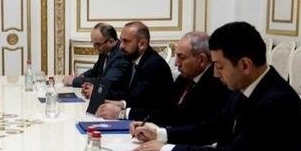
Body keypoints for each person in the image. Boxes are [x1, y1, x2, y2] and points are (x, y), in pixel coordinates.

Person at [132, 21, 301, 151]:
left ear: (245, 65)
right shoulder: (245, 87)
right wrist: (161, 134)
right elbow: (211, 128)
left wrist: (166, 150)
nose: (215, 74)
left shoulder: (277, 102)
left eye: (220, 66)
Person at [96, 31, 230, 125]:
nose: (176, 63)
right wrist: (123, 106)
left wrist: (123, 113)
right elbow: (163, 107)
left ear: (201, 60)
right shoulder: (185, 77)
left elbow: (180, 117)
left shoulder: (216, 83)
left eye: (181, 57)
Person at [92, 21, 173, 110]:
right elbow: (127, 93)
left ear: (142, 44)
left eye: (126, 41)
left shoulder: (154, 65)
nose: (121, 46)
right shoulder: (132, 59)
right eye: (121, 40)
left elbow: (139, 99)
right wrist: (101, 93)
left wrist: (121, 107)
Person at [62, 23, 130, 99]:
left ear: (111, 41)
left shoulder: (121, 55)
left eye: (97, 44)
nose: (95, 47)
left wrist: (74, 81)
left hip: (115, 99)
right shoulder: (104, 51)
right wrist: (81, 76)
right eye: (93, 43)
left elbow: (105, 82)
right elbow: (94, 71)